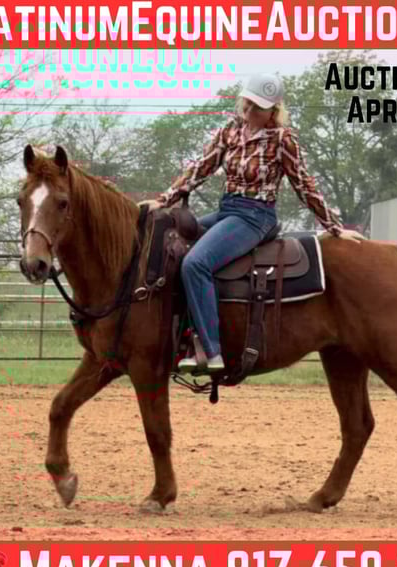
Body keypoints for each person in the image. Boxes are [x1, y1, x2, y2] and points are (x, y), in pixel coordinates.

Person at [146, 73, 344, 373]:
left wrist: (335, 228)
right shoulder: (231, 130)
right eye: (247, 103)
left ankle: (211, 351)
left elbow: (304, 185)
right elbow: (201, 168)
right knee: (173, 247)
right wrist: (164, 200)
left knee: (196, 263)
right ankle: (180, 337)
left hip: (256, 216)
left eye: (258, 107)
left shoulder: (282, 140)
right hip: (227, 210)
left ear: (273, 110)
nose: (250, 111)